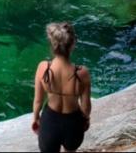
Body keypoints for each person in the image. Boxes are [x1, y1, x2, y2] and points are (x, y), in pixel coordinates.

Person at [32, 22, 92, 153]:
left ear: (52, 44)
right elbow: (86, 105)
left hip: (50, 122)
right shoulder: (82, 73)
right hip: (73, 122)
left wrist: (35, 118)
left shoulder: (43, 68)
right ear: (73, 45)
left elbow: (38, 101)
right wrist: (85, 119)